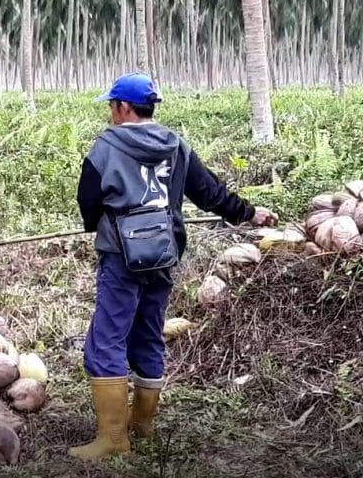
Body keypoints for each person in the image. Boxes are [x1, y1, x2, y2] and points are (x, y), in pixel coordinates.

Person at [69, 72, 278, 461]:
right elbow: (209, 192)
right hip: (163, 254)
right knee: (148, 333)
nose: (112, 113)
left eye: (113, 106)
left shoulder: (105, 148)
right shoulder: (176, 145)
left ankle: (114, 440)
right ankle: (143, 427)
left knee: (107, 339)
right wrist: (248, 213)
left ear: (124, 107)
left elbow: (89, 201)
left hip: (122, 255)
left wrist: (101, 224)